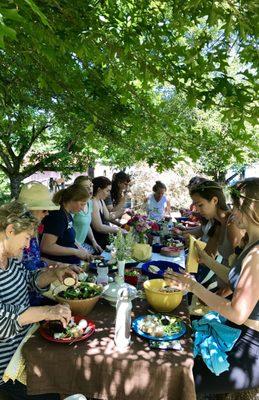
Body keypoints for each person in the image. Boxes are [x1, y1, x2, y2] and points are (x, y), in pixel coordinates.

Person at [165, 177, 259, 394]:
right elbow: (237, 278)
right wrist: (208, 262)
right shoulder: (253, 244)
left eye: (237, 206)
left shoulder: (256, 253)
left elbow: (237, 312)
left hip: (251, 347)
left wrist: (192, 286)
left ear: (251, 208)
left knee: (180, 380)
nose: (233, 212)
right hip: (238, 333)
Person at [0, 201, 77, 400]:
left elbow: (28, 280)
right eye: (26, 238)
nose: (27, 246)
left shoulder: (11, 257)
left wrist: (53, 274)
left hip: (28, 346)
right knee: (51, 391)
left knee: (70, 371)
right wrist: (47, 312)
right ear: (9, 231)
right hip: (8, 367)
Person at [40, 184, 94, 265]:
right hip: (59, 266)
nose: (83, 209)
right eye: (82, 204)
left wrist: (82, 251)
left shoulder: (67, 214)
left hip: (70, 263)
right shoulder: (57, 216)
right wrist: (75, 252)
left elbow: (70, 239)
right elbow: (46, 247)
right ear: (72, 200)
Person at [73, 176, 103, 253]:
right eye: (86, 187)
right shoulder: (74, 205)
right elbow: (67, 231)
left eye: (91, 186)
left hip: (81, 245)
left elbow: (87, 224)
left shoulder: (89, 202)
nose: (90, 189)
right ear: (77, 189)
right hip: (71, 247)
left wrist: (94, 242)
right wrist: (81, 250)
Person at [91, 176, 121, 249]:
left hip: (103, 239)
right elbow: (98, 227)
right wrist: (118, 230)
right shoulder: (93, 202)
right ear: (99, 189)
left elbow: (108, 217)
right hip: (96, 242)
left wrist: (123, 211)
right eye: (107, 191)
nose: (109, 194)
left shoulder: (100, 200)